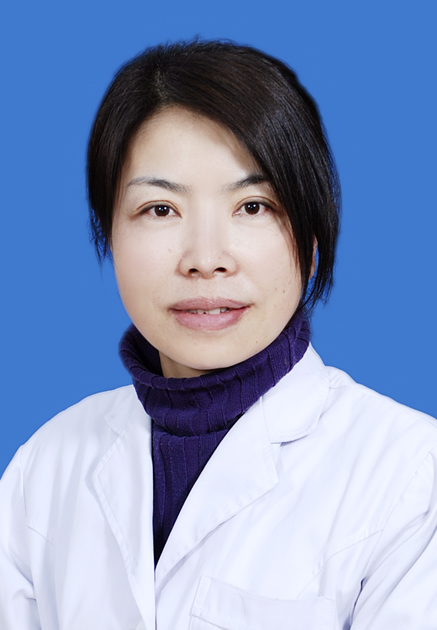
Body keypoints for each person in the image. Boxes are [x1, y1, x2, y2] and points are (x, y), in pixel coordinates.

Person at [0, 39, 436, 630]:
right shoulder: (46, 465)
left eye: (253, 206)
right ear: (110, 234)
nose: (205, 259)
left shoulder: (410, 475)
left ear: (311, 239)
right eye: (160, 209)